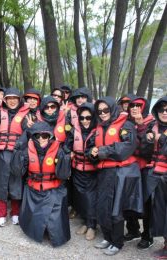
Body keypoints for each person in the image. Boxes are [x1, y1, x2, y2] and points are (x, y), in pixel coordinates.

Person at [90, 97, 143, 256]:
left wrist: (103, 151)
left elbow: (126, 148)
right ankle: (108, 237)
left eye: (106, 110)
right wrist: (92, 153)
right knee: (102, 207)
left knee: (116, 208)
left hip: (120, 174)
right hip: (104, 172)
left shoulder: (126, 125)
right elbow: (92, 147)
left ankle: (117, 242)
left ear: (113, 109)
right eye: (99, 111)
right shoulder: (99, 127)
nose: (103, 113)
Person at [11, 122, 70, 247]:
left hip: (53, 188)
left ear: (50, 137)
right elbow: (18, 171)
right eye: (37, 136)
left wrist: (65, 158)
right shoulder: (27, 150)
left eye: (45, 136)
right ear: (33, 137)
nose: (41, 139)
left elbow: (63, 175)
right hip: (34, 188)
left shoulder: (59, 150)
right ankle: (38, 231)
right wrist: (17, 154)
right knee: (36, 216)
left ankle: (52, 233)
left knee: (53, 217)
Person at [0, 87, 30, 227]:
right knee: (1, 183)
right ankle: (1, 214)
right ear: (5, 100)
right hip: (1, 152)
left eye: (14, 98)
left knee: (16, 183)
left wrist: (28, 129)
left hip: (17, 153)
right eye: (9, 98)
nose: (12, 101)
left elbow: (28, 133)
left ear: (19, 100)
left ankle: (15, 213)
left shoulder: (26, 114)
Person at [63, 102, 97, 240]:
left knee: (91, 198)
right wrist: (69, 152)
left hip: (93, 171)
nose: (85, 121)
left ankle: (92, 226)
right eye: (82, 118)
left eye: (88, 118)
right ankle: (85, 221)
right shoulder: (73, 130)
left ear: (93, 118)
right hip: (77, 169)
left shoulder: (98, 131)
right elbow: (66, 145)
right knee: (80, 197)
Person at [124, 96, 154, 249]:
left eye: (138, 105)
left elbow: (147, 150)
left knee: (147, 202)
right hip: (130, 167)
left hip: (146, 169)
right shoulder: (126, 123)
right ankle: (133, 229)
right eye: (132, 105)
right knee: (128, 199)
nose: (134, 108)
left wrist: (141, 126)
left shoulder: (153, 123)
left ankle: (147, 235)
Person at [140, 97, 167, 259]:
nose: (165, 112)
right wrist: (147, 139)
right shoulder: (153, 127)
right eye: (161, 109)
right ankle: (165, 244)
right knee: (160, 213)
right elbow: (144, 152)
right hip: (156, 176)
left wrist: (161, 139)